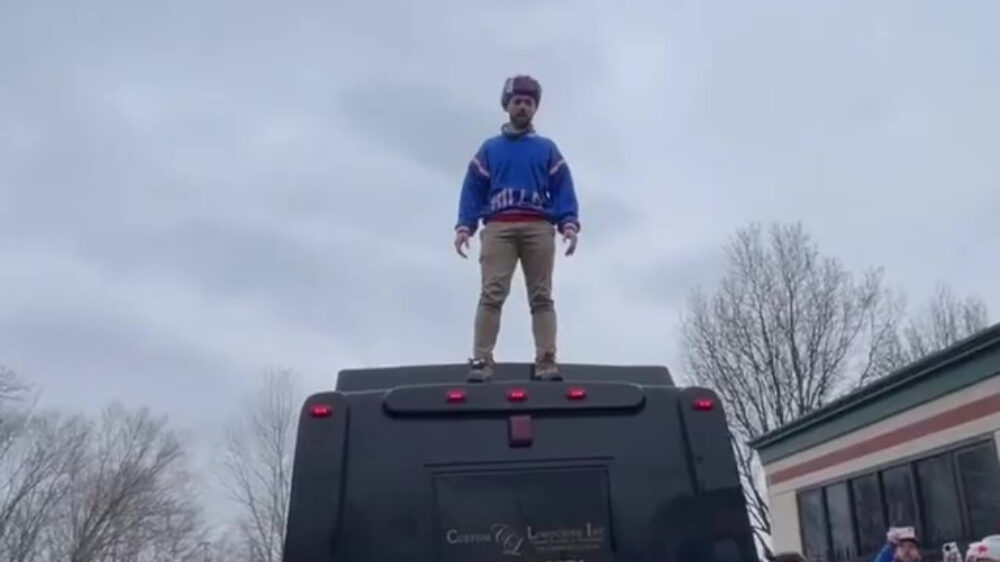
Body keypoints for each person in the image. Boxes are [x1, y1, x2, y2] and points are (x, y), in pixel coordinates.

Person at [453, 74, 580, 382]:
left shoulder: (547, 149)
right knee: (491, 294)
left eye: (529, 102)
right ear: (507, 105)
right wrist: (465, 226)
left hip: (538, 226)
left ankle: (546, 360)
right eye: (518, 101)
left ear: (535, 108)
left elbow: (562, 187)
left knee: (541, 296)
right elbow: (473, 189)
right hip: (499, 227)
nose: (523, 107)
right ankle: (481, 360)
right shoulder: (490, 149)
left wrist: (569, 222)